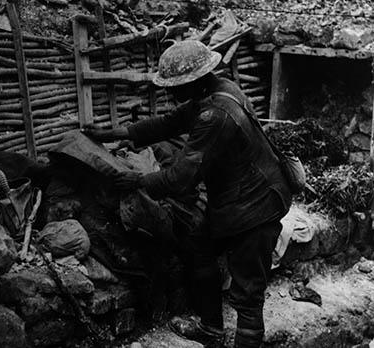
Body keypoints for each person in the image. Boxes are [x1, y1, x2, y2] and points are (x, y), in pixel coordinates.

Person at [83, 39, 292, 348]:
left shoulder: (215, 116)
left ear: (194, 80)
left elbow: (181, 178)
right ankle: (211, 331)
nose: (170, 92)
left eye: (174, 86)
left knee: (248, 292)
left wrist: (137, 180)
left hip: (256, 206)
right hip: (236, 200)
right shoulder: (216, 89)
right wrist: (118, 133)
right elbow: (171, 122)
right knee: (198, 245)